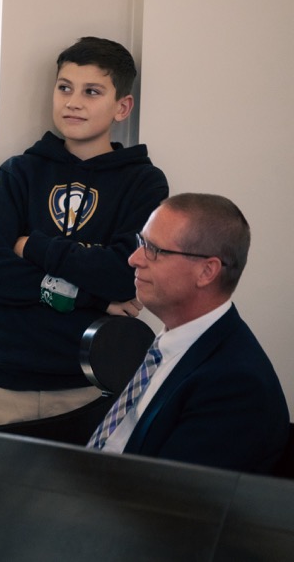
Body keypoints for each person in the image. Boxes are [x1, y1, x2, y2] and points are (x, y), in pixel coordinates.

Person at [0, 37, 169, 428]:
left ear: (122, 107)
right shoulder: (19, 173)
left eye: (92, 91)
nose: (73, 102)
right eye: (65, 88)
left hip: (94, 385)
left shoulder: (144, 183)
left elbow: (122, 275)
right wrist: (87, 294)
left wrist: (35, 246)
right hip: (6, 382)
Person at [87, 194, 289, 474]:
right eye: (141, 243)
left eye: (154, 250)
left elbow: (168, 503)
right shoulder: (173, 343)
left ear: (207, 271)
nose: (134, 259)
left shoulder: (236, 385)